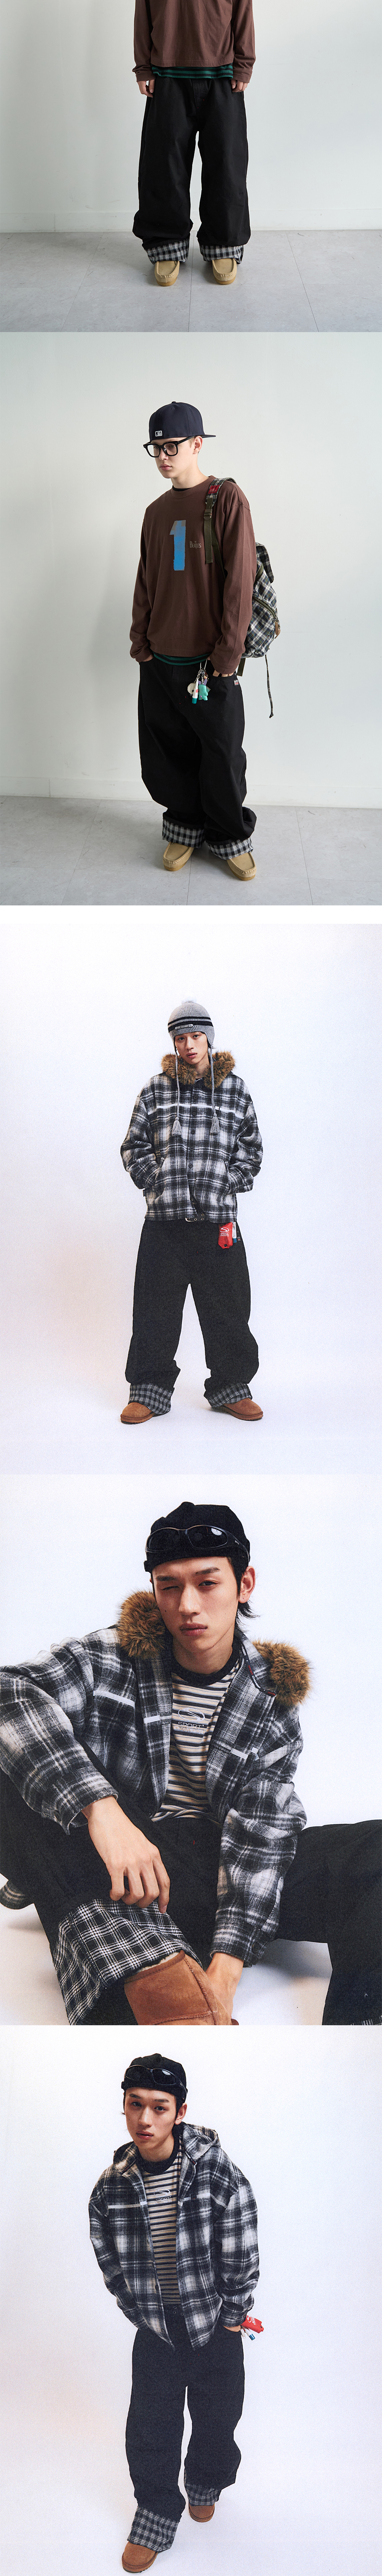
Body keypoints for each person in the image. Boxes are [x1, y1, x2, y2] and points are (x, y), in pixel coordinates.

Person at [1, 1499, 380, 2029]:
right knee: (13, 1763)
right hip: (125, 1870)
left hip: (222, 1871)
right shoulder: (111, 1656)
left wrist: (225, 1970)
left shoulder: (270, 1698)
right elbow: (9, 1692)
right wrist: (102, 1811)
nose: (187, 1606)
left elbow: (261, 1833)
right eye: (170, 1586)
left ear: (244, 1584)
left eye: (207, 1583)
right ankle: (159, 1983)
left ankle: (360, 2032)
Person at [89, 2048, 259, 2568]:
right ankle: (157, 2514)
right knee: (149, 2429)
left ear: (180, 2111)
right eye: (135, 2104)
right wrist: (140, 2311)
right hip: (157, 2331)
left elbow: (240, 2246)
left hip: (216, 2325)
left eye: (159, 2107)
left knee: (218, 2418)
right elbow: (109, 2259)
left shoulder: (215, 2172)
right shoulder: (111, 2186)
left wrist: (233, 2315)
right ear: (123, 2105)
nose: (145, 2118)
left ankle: (206, 2482)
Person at [120, 996, 263, 1426]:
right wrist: (157, 1181)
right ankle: (149, 1391)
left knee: (228, 1311)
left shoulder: (235, 1090)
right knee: (154, 1312)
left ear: (209, 1038)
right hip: (164, 1223)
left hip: (218, 1224)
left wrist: (225, 1183)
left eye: (196, 1036)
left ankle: (231, 1387)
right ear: (174, 1043)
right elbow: (133, 1147)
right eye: (180, 1038)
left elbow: (251, 1152)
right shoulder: (155, 1089)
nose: (188, 1045)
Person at [131, 404, 257, 880]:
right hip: (159, 657)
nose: (163, 456)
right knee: (167, 754)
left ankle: (229, 837)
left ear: (197, 444)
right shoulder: (154, 513)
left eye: (172, 446)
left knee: (221, 755)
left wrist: (229, 652)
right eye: (156, 448)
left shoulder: (226, 499)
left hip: (210, 663)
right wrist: (140, 641)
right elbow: (146, 581)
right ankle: (184, 828)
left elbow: (240, 581)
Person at [133, 0, 255, 289]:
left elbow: (243, 3)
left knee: (226, 167)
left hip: (221, 72)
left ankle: (223, 247)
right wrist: (143, 66)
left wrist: (244, 62)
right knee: (164, 167)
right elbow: (143, 8)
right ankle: (166, 247)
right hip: (168, 73)